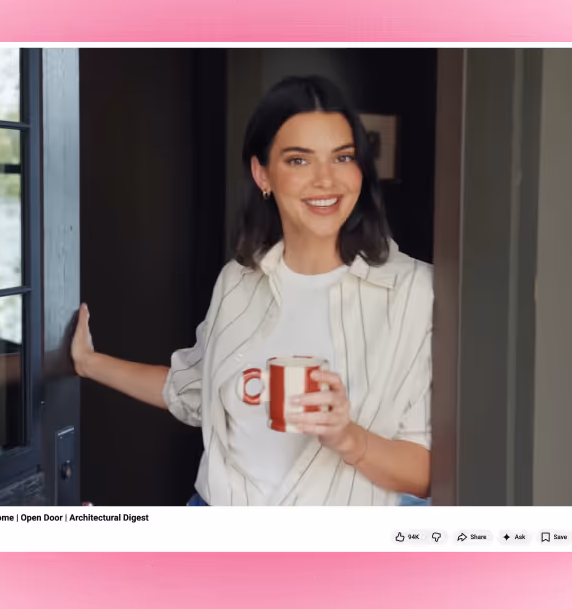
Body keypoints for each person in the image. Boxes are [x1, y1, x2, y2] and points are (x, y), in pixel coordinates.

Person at [71, 76, 434, 506]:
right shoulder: (237, 282)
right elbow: (192, 388)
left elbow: (429, 475)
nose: (325, 180)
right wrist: (89, 363)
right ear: (262, 173)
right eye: (299, 161)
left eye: (342, 157)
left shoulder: (415, 291)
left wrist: (347, 438)